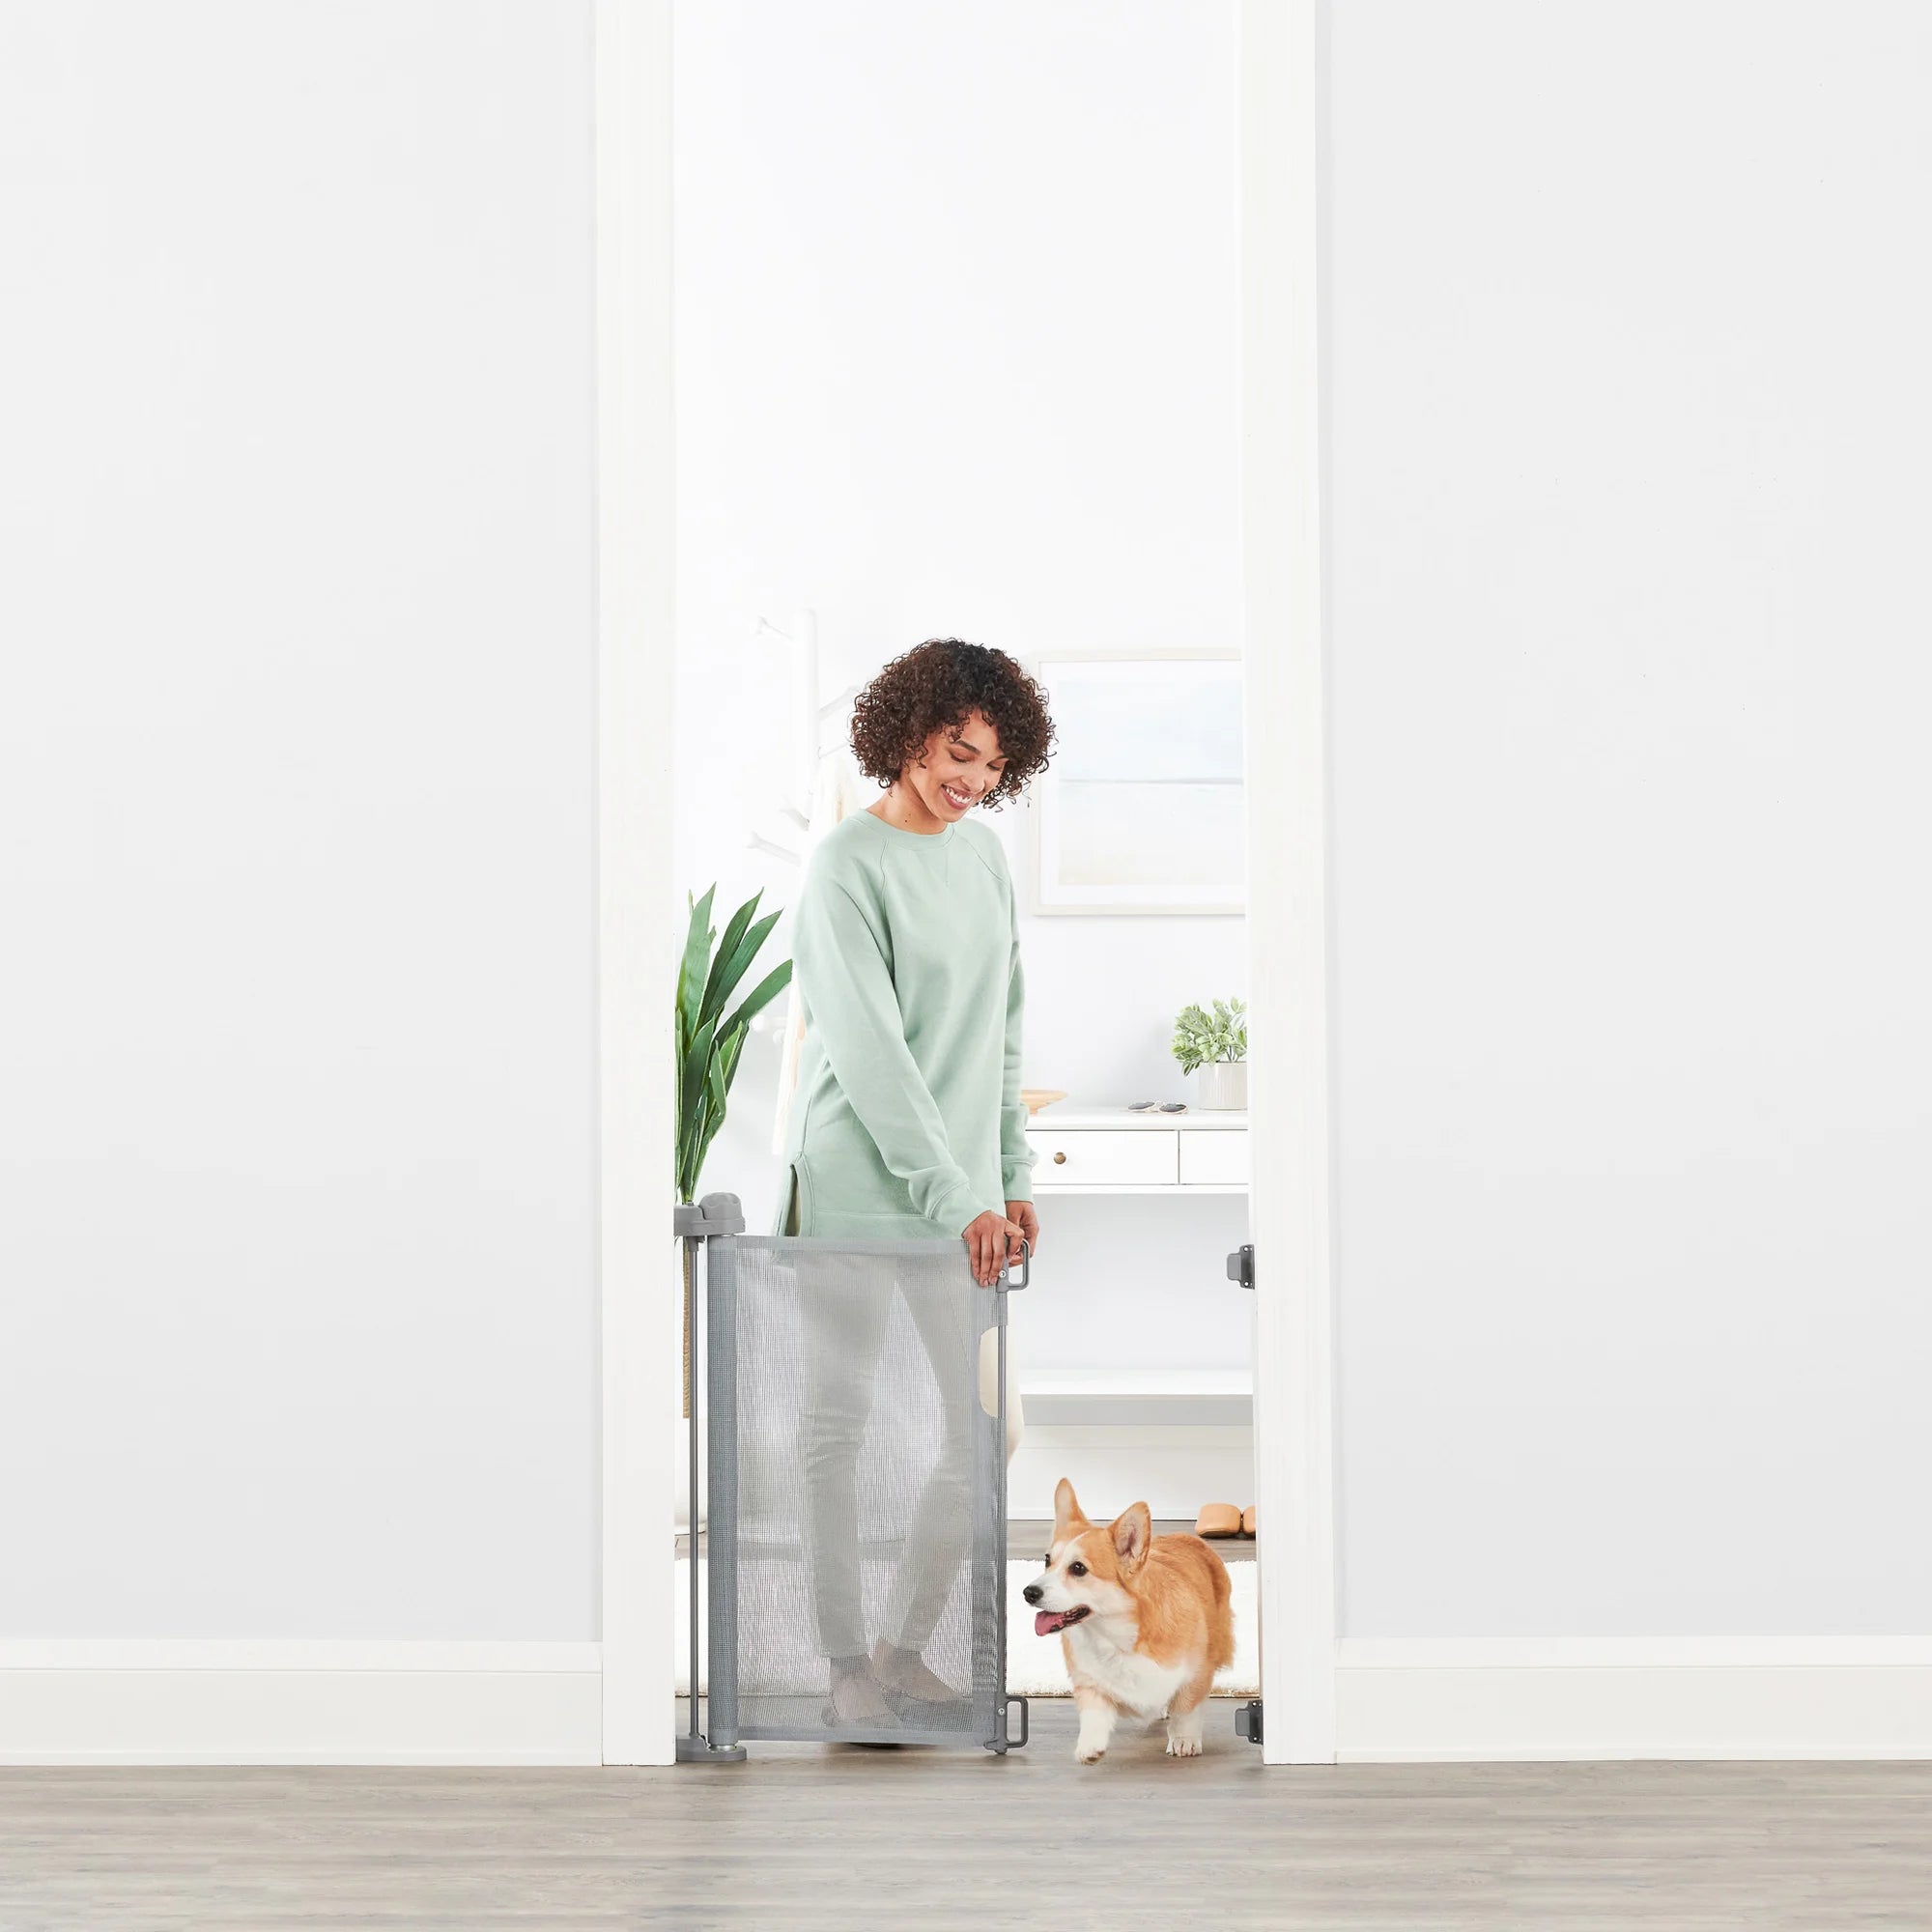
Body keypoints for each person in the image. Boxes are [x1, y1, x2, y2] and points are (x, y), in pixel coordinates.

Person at [776, 638, 1055, 1725]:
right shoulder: (844, 864)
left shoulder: (980, 860)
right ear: (906, 731)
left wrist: (1010, 1169)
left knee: (987, 1426)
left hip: (965, 1202)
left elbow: (1002, 1029)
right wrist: (960, 1195)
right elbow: (874, 1055)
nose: (970, 778)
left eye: (989, 762)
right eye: (954, 749)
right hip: (854, 1188)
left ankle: (899, 1645)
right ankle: (841, 1660)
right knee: (833, 1431)